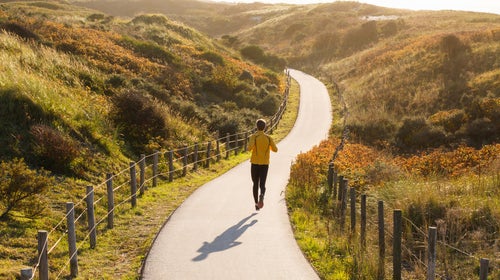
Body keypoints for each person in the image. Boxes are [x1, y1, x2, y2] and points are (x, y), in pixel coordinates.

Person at [248, 119, 278, 211]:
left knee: (255, 183)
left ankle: (257, 204)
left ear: (257, 127)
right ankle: (262, 195)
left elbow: (249, 148)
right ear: (265, 127)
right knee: (263, 184)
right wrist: (267, 146)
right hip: (265, 164)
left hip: (255, 163)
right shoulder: (268, 138)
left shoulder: (253, 136)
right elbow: (275, 149)